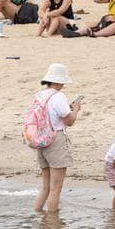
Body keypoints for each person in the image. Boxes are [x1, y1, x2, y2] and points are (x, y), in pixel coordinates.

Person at [31, 63, 81, 213]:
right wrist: (76, 110)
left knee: (45, 187)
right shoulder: (58, 97)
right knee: (55, 189)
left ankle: (39, 217)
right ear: (59, 81)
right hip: (55, 140)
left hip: (41, 140)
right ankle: (52, 224)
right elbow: (69, 121)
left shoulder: (39, 95)